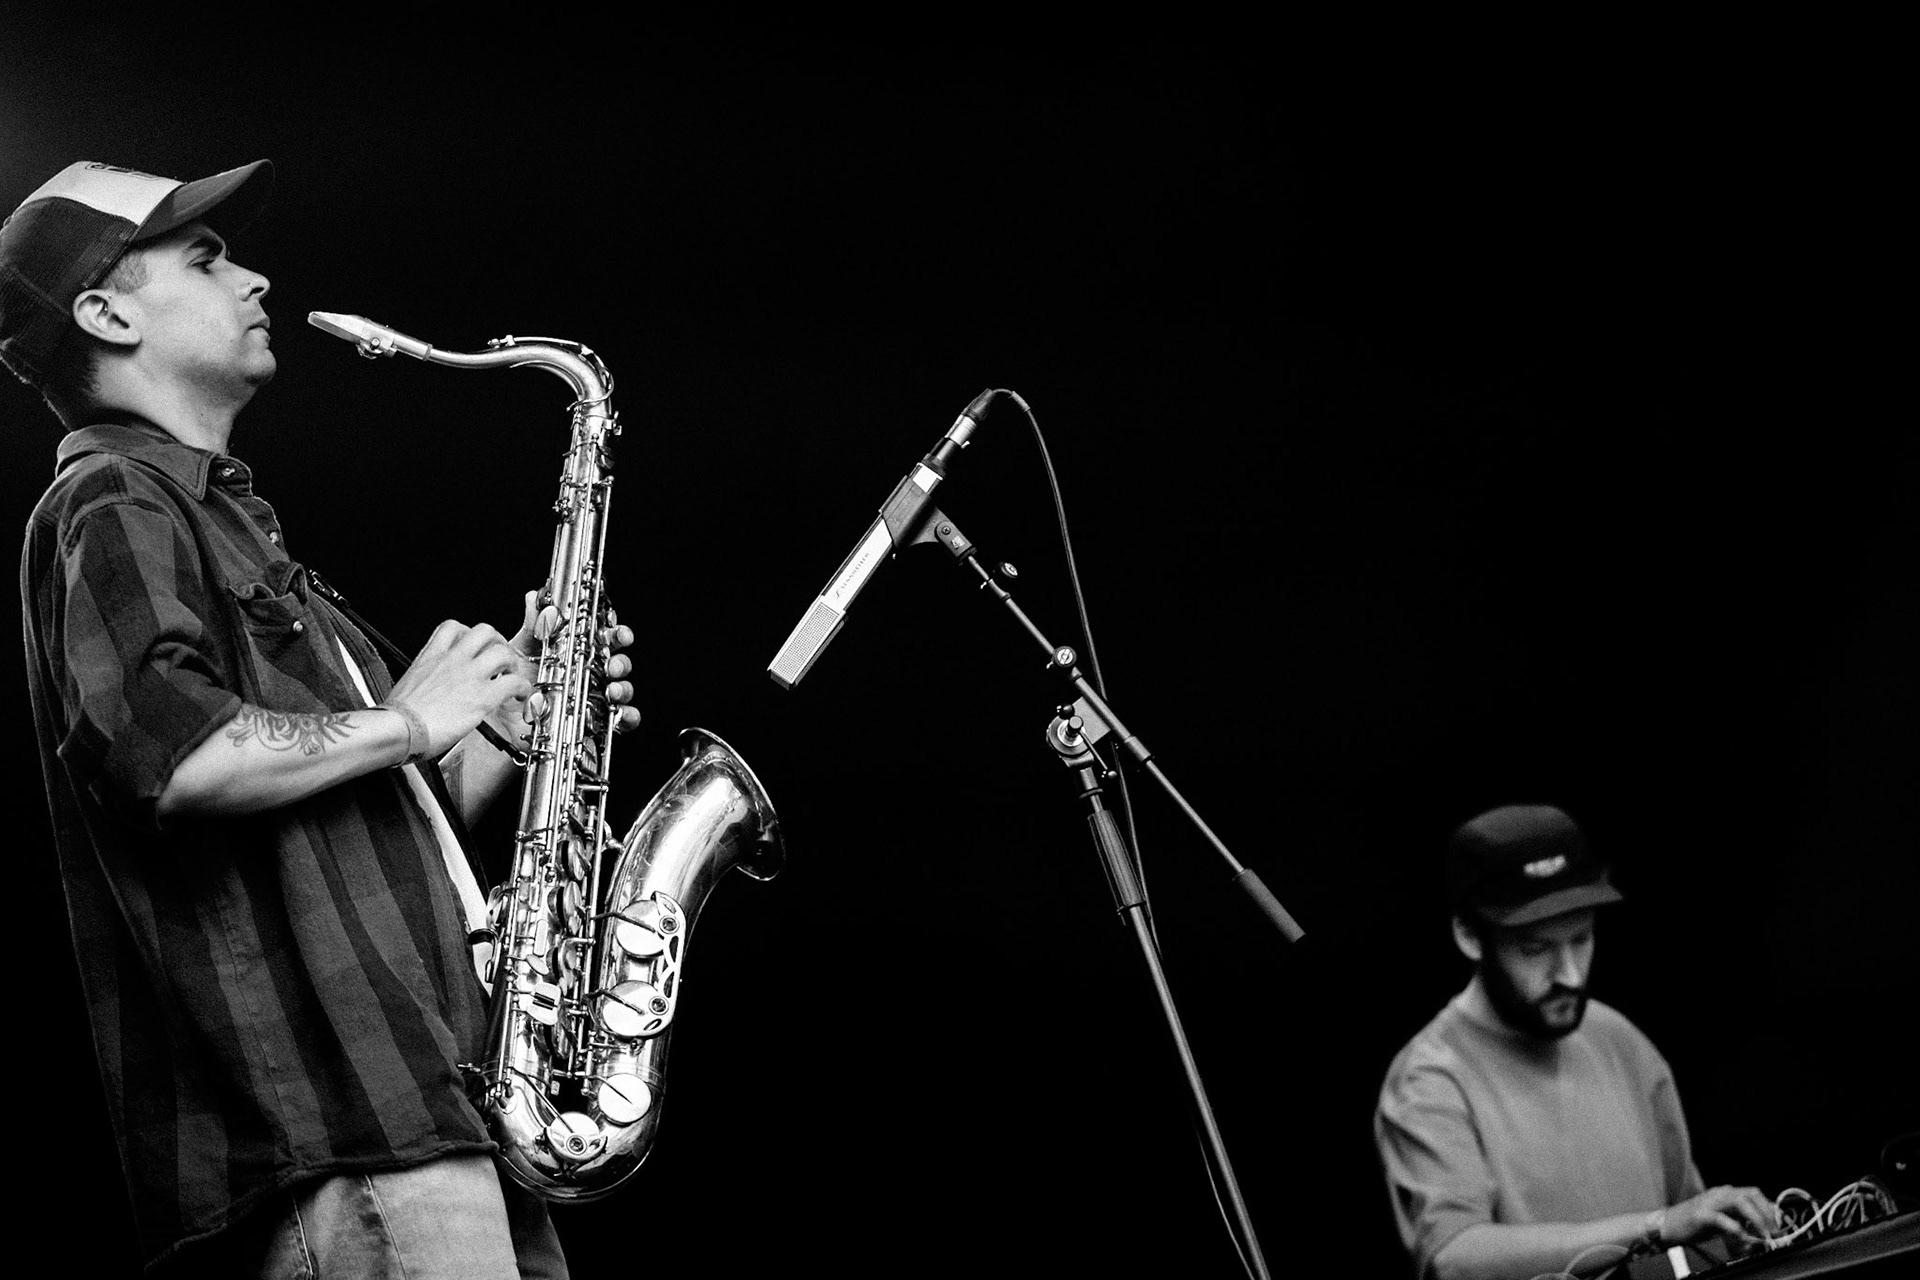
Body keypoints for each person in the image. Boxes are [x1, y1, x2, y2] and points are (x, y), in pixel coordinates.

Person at [3, 159, 636, 1277]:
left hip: (447, 1106)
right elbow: (178, 754)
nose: (253, 277)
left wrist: (521, 713)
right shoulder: (110, 501)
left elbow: (397, 811)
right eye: (205, 259)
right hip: (344, 1133)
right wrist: (407, 720)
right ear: (104, 313)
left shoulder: (248, 536)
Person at [1373, 804, 1779, 1280]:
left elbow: (1697, 1232)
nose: (1569, 974)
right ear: (1468, 935)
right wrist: (1655, 1227)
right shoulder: (1429, 1079)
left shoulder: (1620, 1040)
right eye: (1535, 949)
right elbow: (1455, 1257)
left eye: (1581, 938)